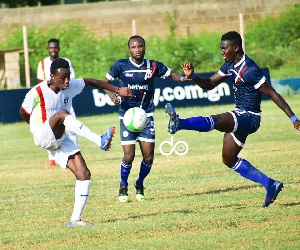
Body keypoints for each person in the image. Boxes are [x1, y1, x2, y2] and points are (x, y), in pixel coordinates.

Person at [165, 31, 300, 208]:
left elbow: (273, 93)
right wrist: (194, 76)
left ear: (235, 47)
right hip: (240, 115)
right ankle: (270, 184)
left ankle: (180, 123)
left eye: (224, 48)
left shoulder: (249, 70)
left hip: (250, 117)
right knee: (228, 159)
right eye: (221, 48)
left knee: (217, 119)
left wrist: (294, 119)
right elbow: (209, 84)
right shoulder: (230, 65)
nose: (221, 52)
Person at [20, 58, 134, 227]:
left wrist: (117, 89)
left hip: (60, 137)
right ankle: (99, 140)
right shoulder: (36, 92)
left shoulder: (70, 86)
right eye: (62, 78)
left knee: (84, 173)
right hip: (43, 135)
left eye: (68, 77)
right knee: (63, 114)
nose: (67, 81)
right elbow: (23, 111)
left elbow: (91, 81)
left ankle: (75, 220)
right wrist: (36, 127)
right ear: (51, 76)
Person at [104, 35, 189, 203]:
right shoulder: (120, 65)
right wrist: (112, 95)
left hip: (147, 116)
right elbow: (105, 82)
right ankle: (123, 185)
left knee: (149, 157)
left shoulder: (154, 66)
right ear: (129, 49)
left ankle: (140, 183)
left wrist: (184, 78)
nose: (137, 49)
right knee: (129, 157)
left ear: (144, 47)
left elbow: (172, 74)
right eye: (134, 47)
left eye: (140, 46)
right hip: (127, 117)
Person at [37, 38, 78, 168]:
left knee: (72, 127)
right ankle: (52, 159)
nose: (53, 50)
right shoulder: (42, 63)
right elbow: (41, 83)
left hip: (65, 99)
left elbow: (71, 79)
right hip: (50, 101)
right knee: (50, 129)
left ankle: (75, 153)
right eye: (51, 48)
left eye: (55, 47)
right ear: (48, 49)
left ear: (59, 48)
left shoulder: (66, 62)